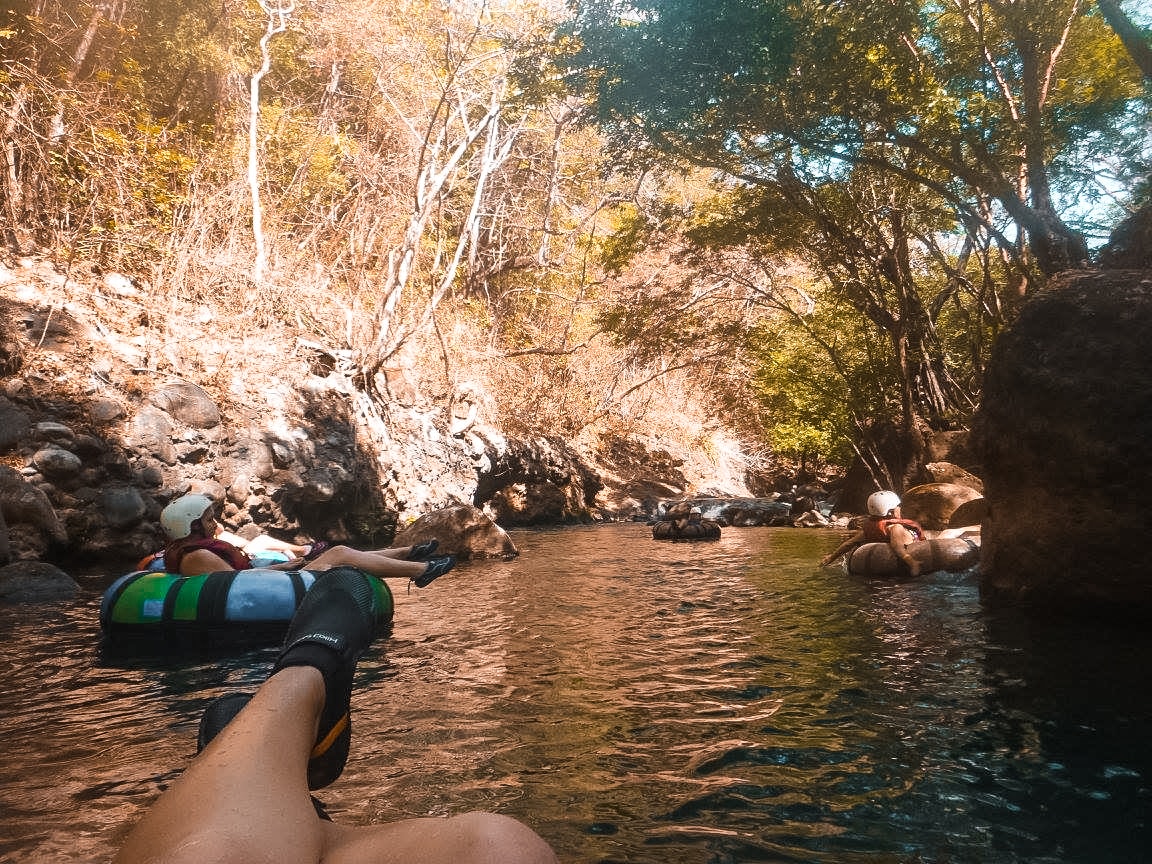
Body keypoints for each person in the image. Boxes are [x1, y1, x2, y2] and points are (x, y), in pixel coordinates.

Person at [113, 566, 560, 864]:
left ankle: (298, 688)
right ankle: (310, 682)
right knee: (499, 846)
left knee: (212, 856)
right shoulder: (200, 551)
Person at [160, 493, 455, 588]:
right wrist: (288, 568)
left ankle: (408, 551)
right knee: (339, 552)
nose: (216, 524)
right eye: (209, 520)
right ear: (190, 526)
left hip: (268, 580)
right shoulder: (196, 556)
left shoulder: (195, 549)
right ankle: (420, 570)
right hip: (266, 587)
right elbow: (235, 584)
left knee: (342, 552)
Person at [818, 490, 926, 576]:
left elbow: (849, 544)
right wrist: (912, 563)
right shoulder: (895, 527)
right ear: (890, 511)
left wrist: (830, 558)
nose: (900, 508)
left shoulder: (872, 528)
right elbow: (897, 547)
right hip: (906, 557)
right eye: (898, 507)